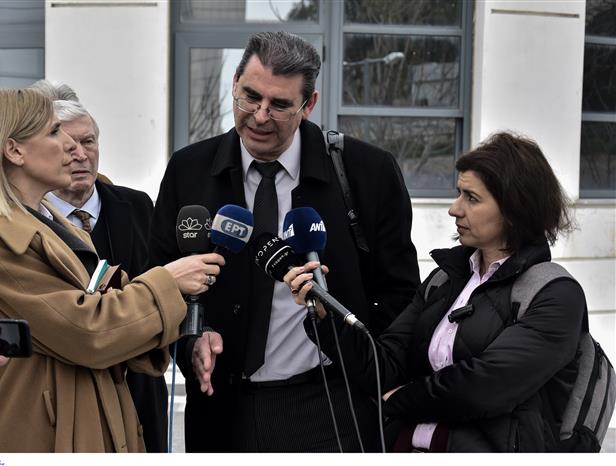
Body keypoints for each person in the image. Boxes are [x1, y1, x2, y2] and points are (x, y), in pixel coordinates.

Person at [149, 31, 420, 452]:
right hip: (220, 409)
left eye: (278, 105)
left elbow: (400, 295)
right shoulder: (189, 170)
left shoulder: (368, 172)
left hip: (330, 406)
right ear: (234, 83)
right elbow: (160, 279)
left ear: (308, 105)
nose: (259, 116)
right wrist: (191, 342)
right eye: (249, 97)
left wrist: (369, 374)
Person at [0, 88, 224, 452]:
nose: (73, 147)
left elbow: (111, 315)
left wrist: (187, 327)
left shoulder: (52, 226)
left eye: (83, 139)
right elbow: (88, 331)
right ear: (14, 151)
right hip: (46, 443)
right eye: (54, 131)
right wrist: (169, 281)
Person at [285, 132, 583, 452]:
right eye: (458, 194)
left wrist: (399, 400)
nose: (454, 209)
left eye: (471, 198)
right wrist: (326, 318)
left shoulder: (554, 294)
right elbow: (383, 366)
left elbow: (485, 386)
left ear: (514, 209)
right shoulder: (444, 280)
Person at [34, 80, 169, 454]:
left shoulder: (137, 207)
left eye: (88, 142)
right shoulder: (28, 222)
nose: (80, 155)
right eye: (67, 146)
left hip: (140, 392)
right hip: (68, 399)